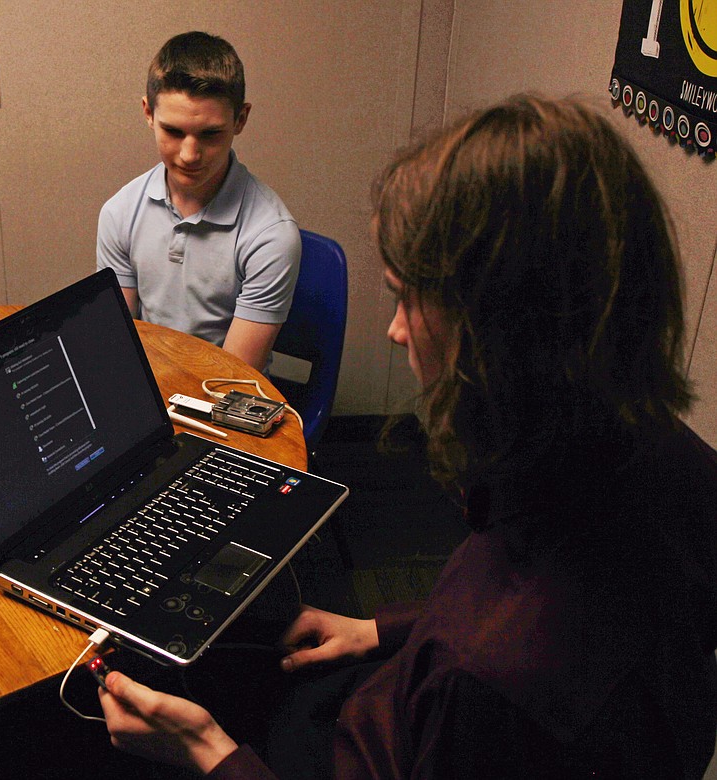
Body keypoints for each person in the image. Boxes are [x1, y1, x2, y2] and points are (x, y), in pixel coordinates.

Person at [97, 95, 717, 777]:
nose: (395, 330)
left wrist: (209, 754)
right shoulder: (666, 457)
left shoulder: (489, 689)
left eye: (407, 298)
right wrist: (383, 629)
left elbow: (493, 660)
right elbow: (497, 606)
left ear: (497, 333)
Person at [96, 31, 300, 373]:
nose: (190, 155)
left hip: (225, 400)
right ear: (148, 113)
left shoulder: (272, 236)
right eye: (174, 132)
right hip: (151, 387)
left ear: (241, 119)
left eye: (210, 134)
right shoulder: (119, 213)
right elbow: (118, 341)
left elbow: (231, 380)